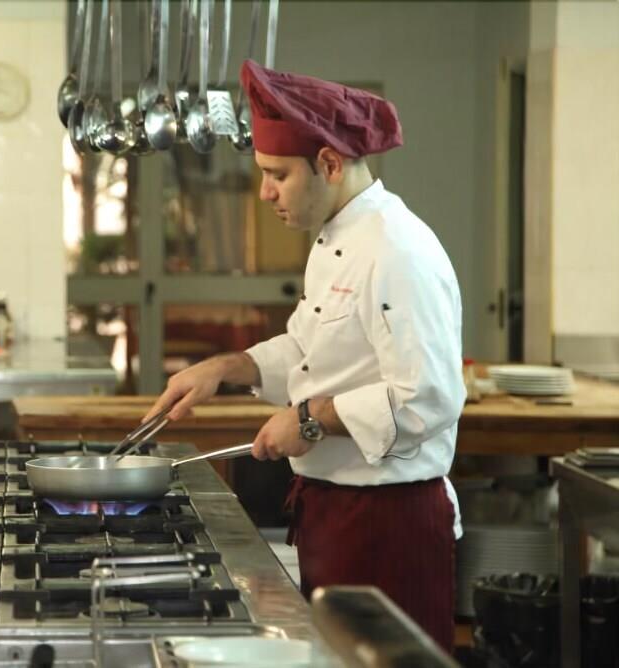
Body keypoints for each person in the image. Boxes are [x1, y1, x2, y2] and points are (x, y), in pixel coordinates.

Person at [145, 59, 465, 652]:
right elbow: (306, 348)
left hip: (387, 522)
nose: (264, 193)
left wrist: (310, 419)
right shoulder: (333, 236)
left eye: (278, 175)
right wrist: (224, 368)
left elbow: (428, 398)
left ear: (330, 164)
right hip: (334, 511)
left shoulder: (397, 251)